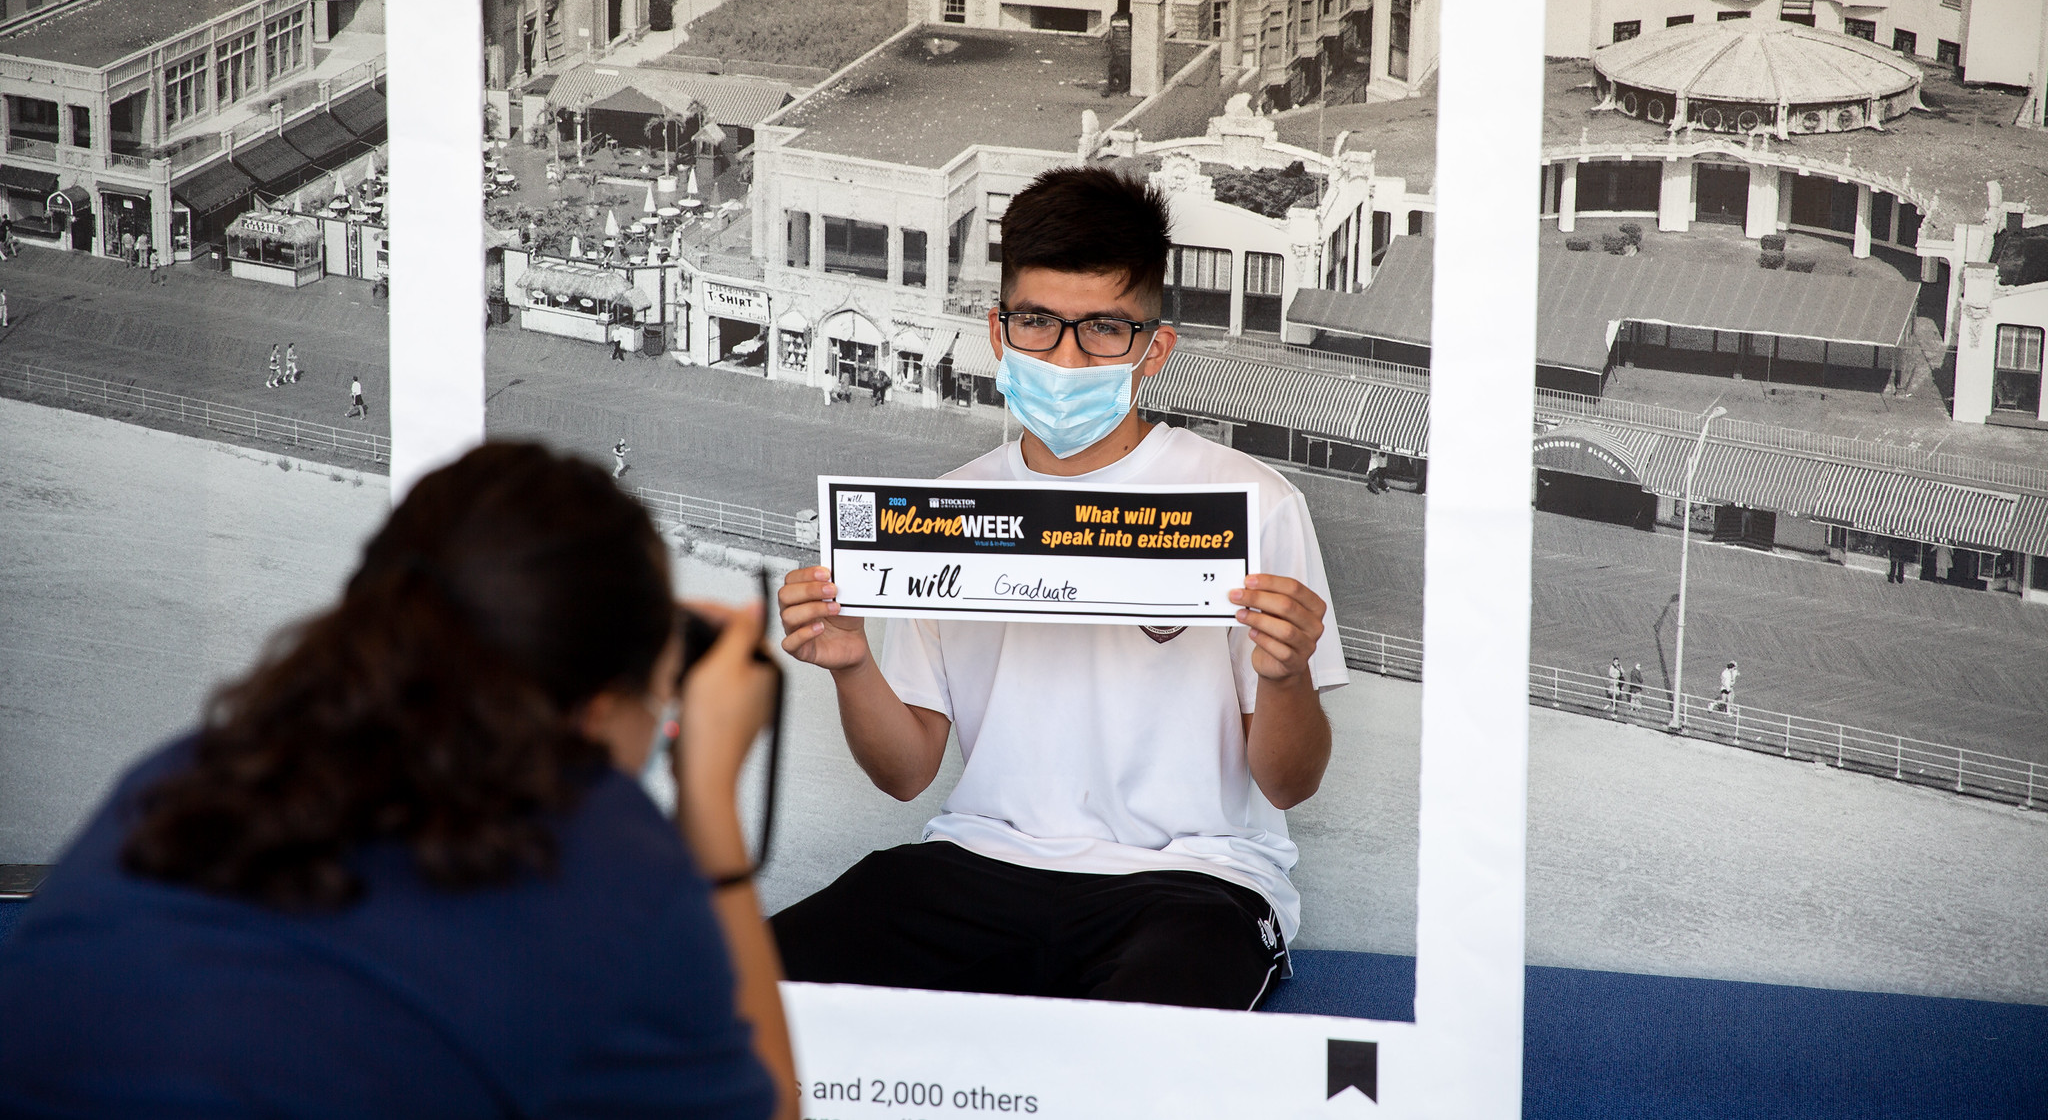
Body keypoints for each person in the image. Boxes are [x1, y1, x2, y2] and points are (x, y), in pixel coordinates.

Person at [0, 444, 797, 1118]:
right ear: (593, 708)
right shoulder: (611, 867)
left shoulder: (183, 775)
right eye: (656, 692)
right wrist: (710, 798)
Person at [772, 167, 1345, 1010]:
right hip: (975, 862)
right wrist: (851, 665)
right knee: (738, 996)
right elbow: (905, 773)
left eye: (1105, 328)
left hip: (1191, 882)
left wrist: (1288, 674)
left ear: (1156, 345)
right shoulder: (944, 512)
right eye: (1040, 322)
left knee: (1123, 1062)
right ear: (999, 332)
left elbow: (1290, 784)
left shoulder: (1256, 506)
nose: (1067, 357)